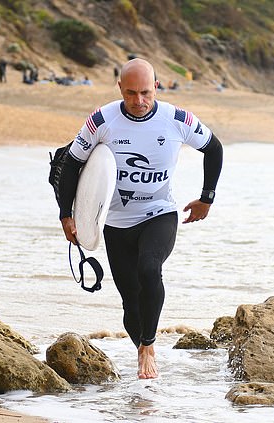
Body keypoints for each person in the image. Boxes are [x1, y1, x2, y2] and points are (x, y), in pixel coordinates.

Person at [55, 58, 223, 379]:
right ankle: (141, 348)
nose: (139, 101)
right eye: (131, 93)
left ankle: (148, 346)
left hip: (159, 213)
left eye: (145, 92)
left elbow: (214, 148)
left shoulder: (177, 119)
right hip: (116, 222)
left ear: (156, 86)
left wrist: (206, 198)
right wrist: (67, 215)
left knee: (150, 268)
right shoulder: (101, 120)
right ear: (120, 88)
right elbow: (72, 164)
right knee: (130, 304)